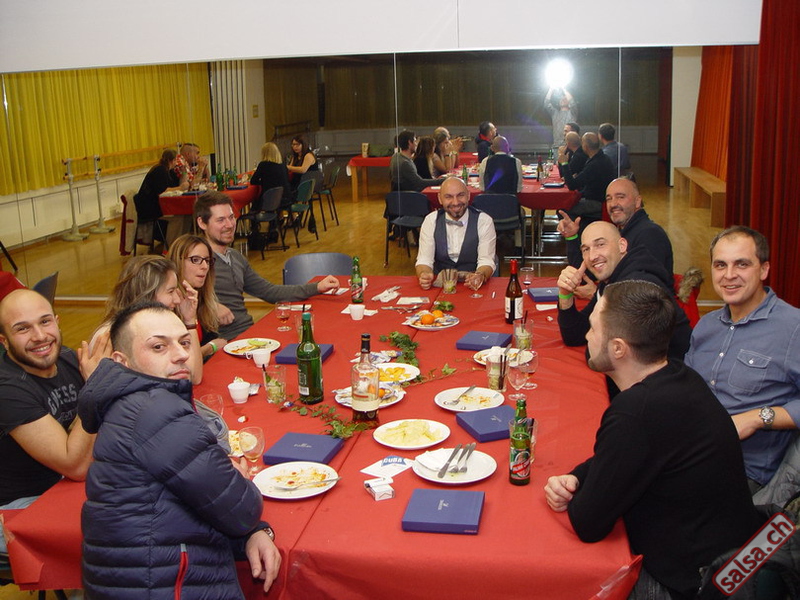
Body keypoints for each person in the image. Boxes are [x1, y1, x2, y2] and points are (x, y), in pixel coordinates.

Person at [544, 280, 760, 600]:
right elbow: (631, 454)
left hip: (694, 584)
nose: (587, 336)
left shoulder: (636, 412)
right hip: (735, 562)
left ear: (618, 348)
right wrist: (577, 476)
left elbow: (588, 524)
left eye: (593, 328)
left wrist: (574, 489)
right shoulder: (679, 376)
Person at [79, 302, 280, 598]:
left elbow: (192, 500)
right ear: (122, 361)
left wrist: (252, 529)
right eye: (158, 347)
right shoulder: (155, 410)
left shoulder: (133, 402)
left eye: (184, 342)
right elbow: (242, 508)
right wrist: (241, 480)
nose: (181, 354)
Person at [685, 226, 800, 491]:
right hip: (692, 452)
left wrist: (757, 417)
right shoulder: (706, 326)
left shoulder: (793, 327)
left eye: (742, 264)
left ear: (764, 270)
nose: (729, 275)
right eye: (720, 265)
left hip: (744, 472)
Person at [0, 289, 107, 559]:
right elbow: (75, 465)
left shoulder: (67, 359)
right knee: (118, 532)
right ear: (4, 341)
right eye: (22, 328)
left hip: (64, 485)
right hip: (18, 507)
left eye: (45, 321)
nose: (39, 336)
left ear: (57, 322)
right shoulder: (7, 389)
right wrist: (95, 387)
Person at [194, 192, 340, 340]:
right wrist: (209, 307)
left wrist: (317, 287)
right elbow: (182, 298)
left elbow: (269, 291)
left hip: (249, 334)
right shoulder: (195, 261)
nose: (230, 225)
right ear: (202, 223)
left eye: (231, 217)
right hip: (224, 341)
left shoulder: (235, 257)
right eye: (220, 220)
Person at [557, 221, 690, 361]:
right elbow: (575, 334)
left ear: (622, 245)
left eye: (600, 245)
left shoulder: (636, 287)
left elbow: (602, 356)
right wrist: (565, 293)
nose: (592, 256)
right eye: (586, 249)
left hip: (672, 370)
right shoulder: (611, 280)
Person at [92, 255, 204, 385]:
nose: (178, 299)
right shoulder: (108, 336)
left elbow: (194, 377)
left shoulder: (157, 324)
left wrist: (189, 320)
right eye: (171, 291)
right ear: (147, 294)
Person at [558, 178, 675, 290]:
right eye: (609, 199)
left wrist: (599, 293)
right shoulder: (620, 231)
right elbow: (586, 275)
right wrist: (572, 237)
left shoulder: (650, 235)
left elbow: (647, 291)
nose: (613, 204)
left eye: (620, 197)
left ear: (637, 201)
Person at [415, 176, 496, 291]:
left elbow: (486, 261)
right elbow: (424, 260)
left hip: (473, 287)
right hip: (440, 285)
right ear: (440, 199)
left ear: (468, 196)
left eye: (460, 195)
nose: (455, 202)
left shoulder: (484, 221)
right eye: (448, 197)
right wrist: (424, 274)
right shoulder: (430, 220)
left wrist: (480, 275)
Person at [557, 132, 616, 267]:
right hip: (599, 198)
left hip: (597, 202)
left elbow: (572, 184)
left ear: (585, 146)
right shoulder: (603, 158)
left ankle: (575, 240)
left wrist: (564, 163)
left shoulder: (595, 164)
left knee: (563, 209)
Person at [167, 234, 227, 360]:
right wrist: (210, 348)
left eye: (207, 260)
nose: (205, 266)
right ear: (177, 262)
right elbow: (175, 358)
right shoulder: (168, 304)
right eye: (195, 260)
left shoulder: (199, 297)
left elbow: (213, 338)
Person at [133, 148, 185, 222]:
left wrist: (184, 172)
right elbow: (163, 190)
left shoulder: (170, 171)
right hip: (149, 206)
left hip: (156, 203)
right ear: (172, 160)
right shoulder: (160, 170)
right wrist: (181, 188)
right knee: (179, 215)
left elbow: (177, 185)